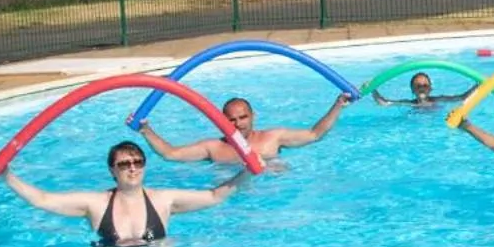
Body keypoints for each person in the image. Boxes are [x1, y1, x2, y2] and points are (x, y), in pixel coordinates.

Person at [0, 141, 243, 247]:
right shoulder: (96, 204)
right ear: (112, 171)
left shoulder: (163, 200)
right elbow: (42, 199)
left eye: (138, 162)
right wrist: (6, 175)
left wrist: (249, 173)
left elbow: (214, 196)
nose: (133, 168)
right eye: (124, 164)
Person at [137, 93, 348, 163]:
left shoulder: (273, 137)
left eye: (243, 117)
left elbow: (315, 134)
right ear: (221, 121)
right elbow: (171, 154)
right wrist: (146, 129)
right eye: (231, 120)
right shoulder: (213, 148)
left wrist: (338, 104)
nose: (238, 124)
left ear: (252, 116)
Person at [371, 72, 469, 108]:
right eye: (418, 86)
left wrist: (477, 83)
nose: (422, 89)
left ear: (430, 89)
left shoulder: (439, 100)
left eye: (425, 86)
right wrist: (372, 88)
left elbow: (463, 97)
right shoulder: (410, 104)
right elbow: (383, 103)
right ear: (412, 90)